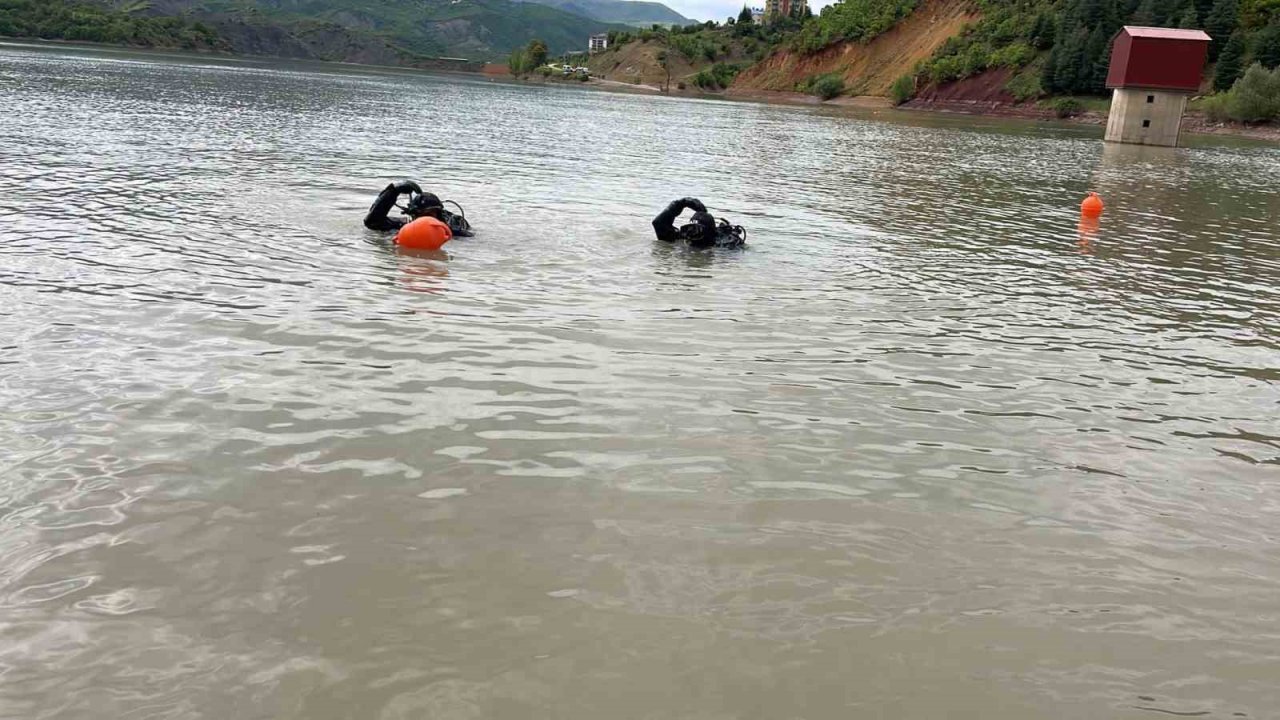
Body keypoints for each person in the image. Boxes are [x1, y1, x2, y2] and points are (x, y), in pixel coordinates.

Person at [364, 180, 473, 237]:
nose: (427, 220)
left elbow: (470, 237)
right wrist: (393, 191)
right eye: (423, 215)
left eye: (432, 214)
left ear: (438, 214)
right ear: (414, 215)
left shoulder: (453, 226)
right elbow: (372, 222)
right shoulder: (404, 226)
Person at [651, 197, 745, 248]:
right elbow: (658, 223)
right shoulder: (684, 240)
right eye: (691, 228)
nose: (692, 233)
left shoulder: (721, 246)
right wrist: (681, 203)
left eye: (697, 229)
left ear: (710, 233)